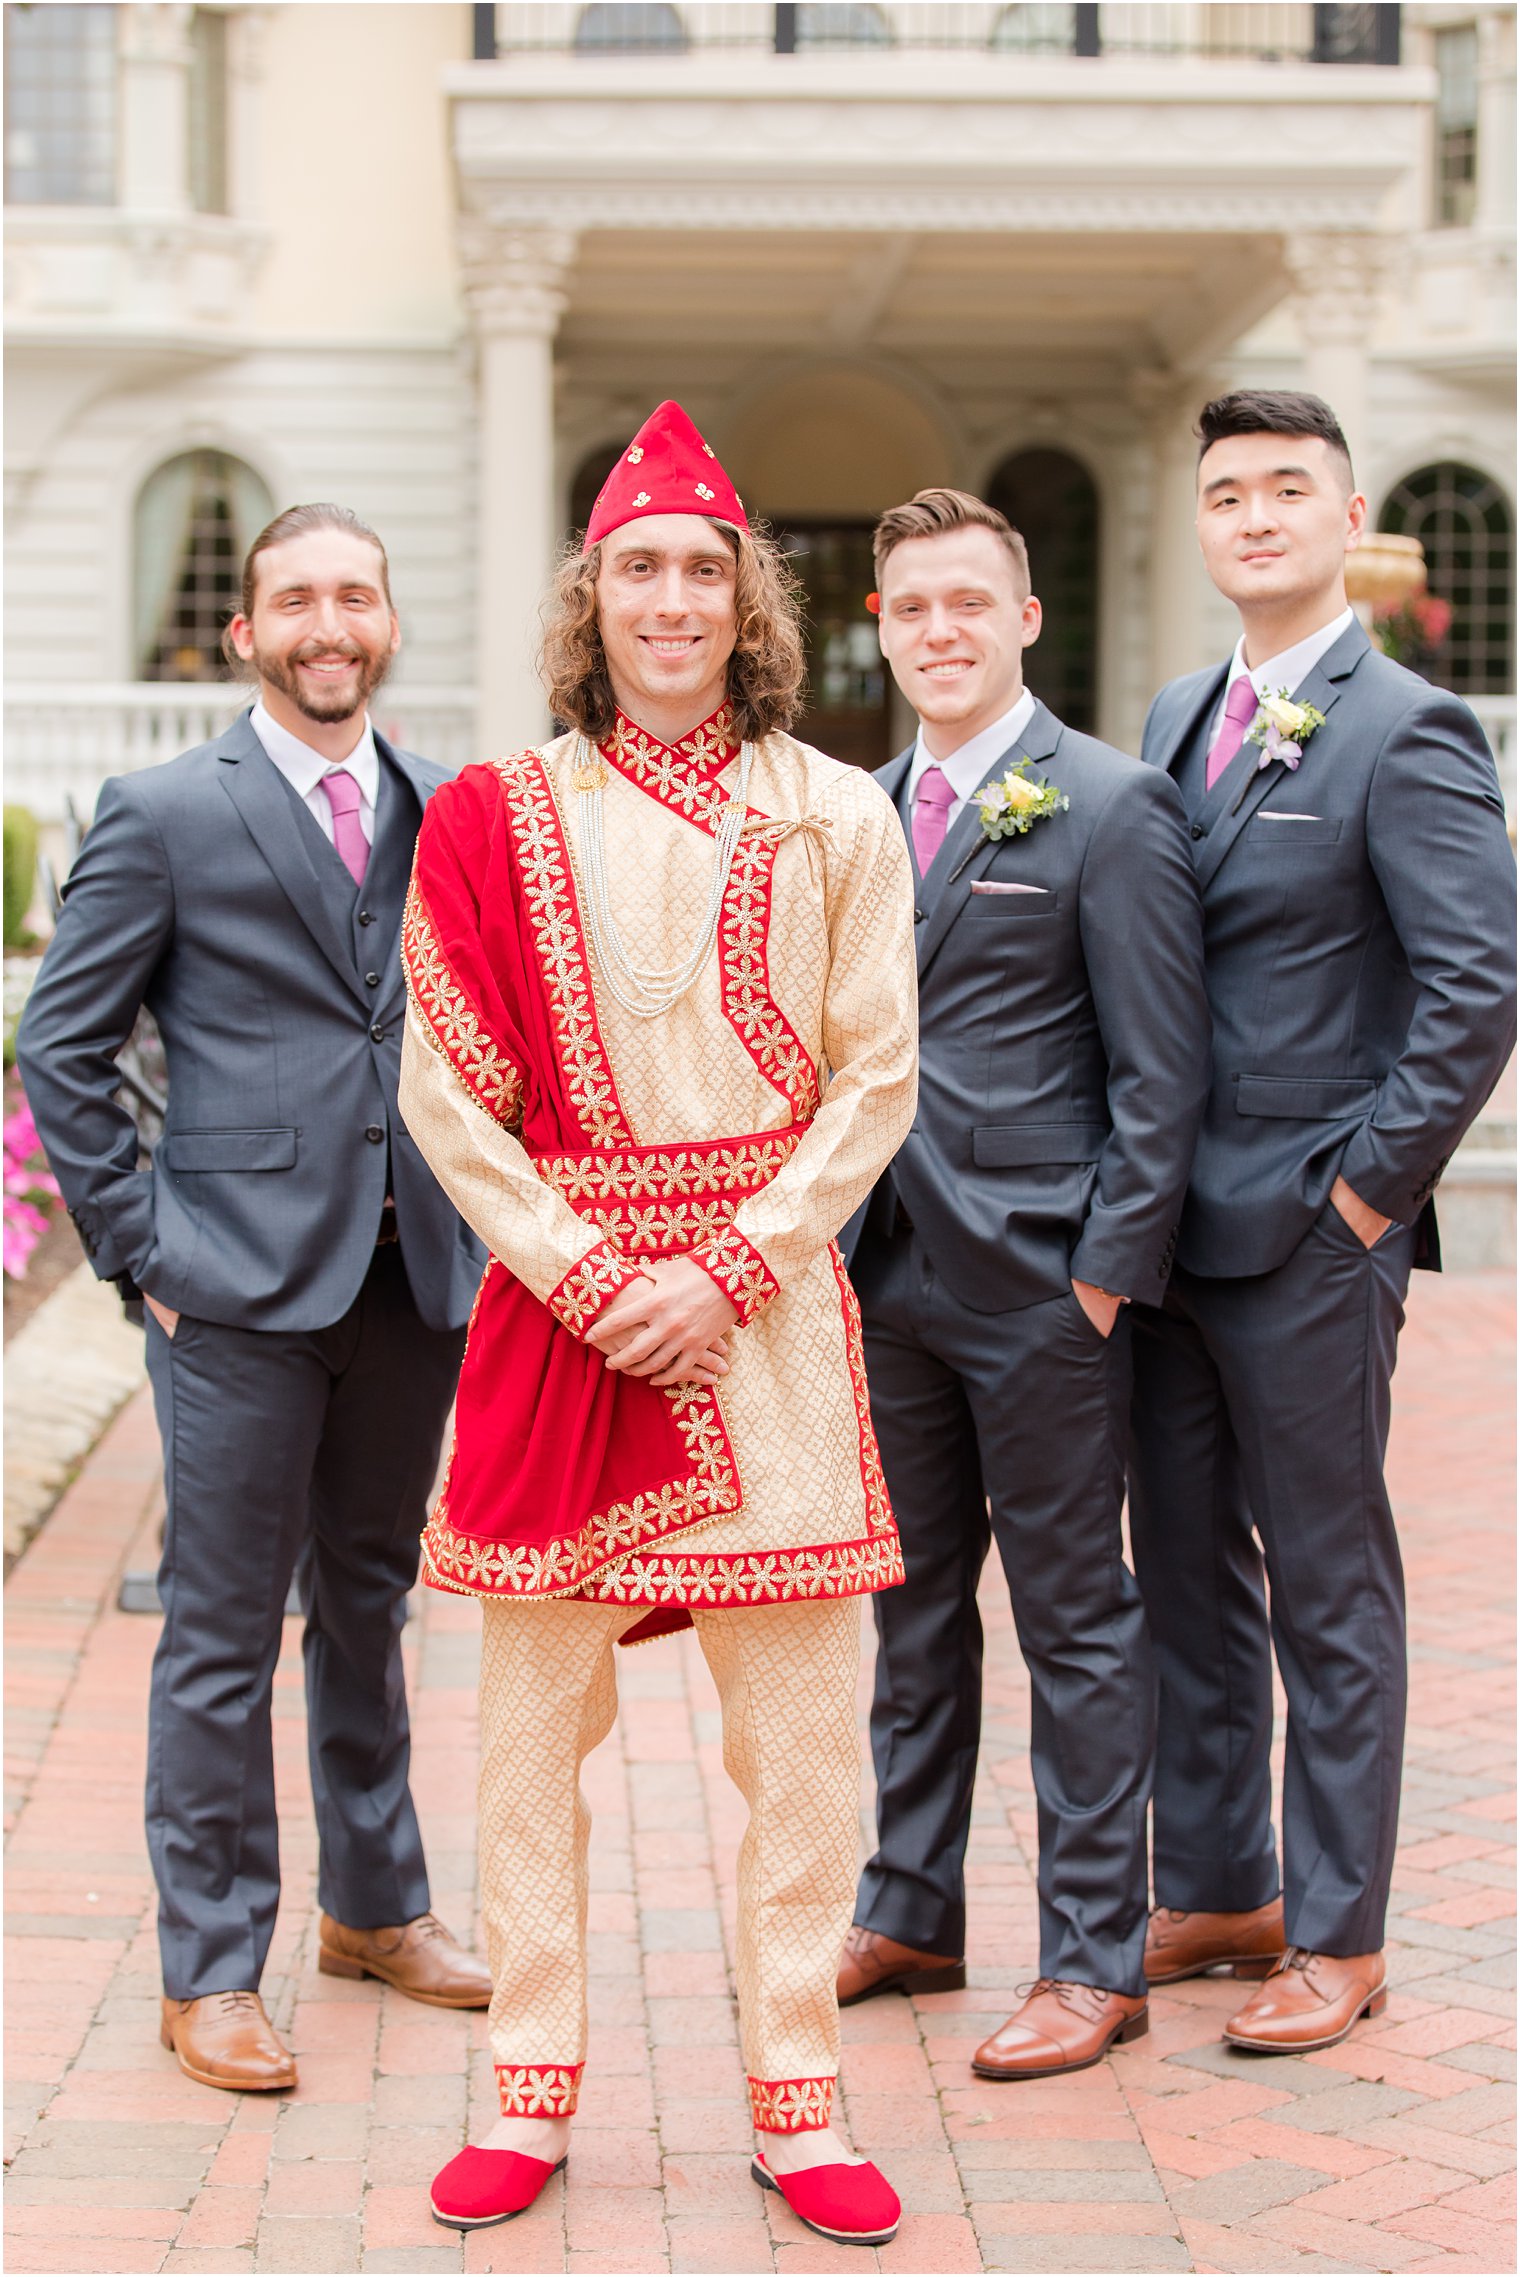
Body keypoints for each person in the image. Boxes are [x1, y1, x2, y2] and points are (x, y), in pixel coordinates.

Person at [399, 402, 917, 2243]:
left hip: (764, 1319)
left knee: (805, 1731)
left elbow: (876, 1082)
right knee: (531, 1727)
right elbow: (450, 1093)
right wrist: (604, 1275)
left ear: (749, 600)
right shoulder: (497, 814)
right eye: (640, 568)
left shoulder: (840, 810)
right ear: (592, 596)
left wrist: (733, 1263)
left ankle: (797, 2090)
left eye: (704, 569)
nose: (673, 599)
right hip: (570, 1316)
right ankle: (530, 2088)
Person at [17, 505, 490, 2095]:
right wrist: (141, 1247)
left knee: (373, 1600)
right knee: (220, 1628)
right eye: (296, 599)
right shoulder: (162, 809)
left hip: (410, 1273)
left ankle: (374, 1907)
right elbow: (62, 1048)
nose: (328, 622)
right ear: (248, 632)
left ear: (390, 620)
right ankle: (212, 1965)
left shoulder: (440, 806)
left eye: (355, 593)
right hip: (229, 1286)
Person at [1129, 390, 1517, 2053]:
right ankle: (1221, 1883)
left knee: (1327, 1583)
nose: (1258, 515)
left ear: (1347, 513)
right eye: (1230, 492)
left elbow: (1476, 985)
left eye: (1290, 488)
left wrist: (1366, 1189)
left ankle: (1342, 1925)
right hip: (1159, 1238)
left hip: (1308, 1231)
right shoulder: (1167, 711)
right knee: (1186, 1574)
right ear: (1202, 523)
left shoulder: (1406, 724)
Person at [837, 489, 1210, 2080]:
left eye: (968, 604)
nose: (940, 631)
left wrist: (1105, 1281)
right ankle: (913, 1907)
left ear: (1025, 618)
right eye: (913, 606)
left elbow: (1164, 1069)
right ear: (883, 621)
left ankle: (1090, 1957)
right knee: (912, 1615)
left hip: (1044, 1289)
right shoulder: (853, 810)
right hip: (885, 1275)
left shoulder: (1111, 807)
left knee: (1076, 1624)